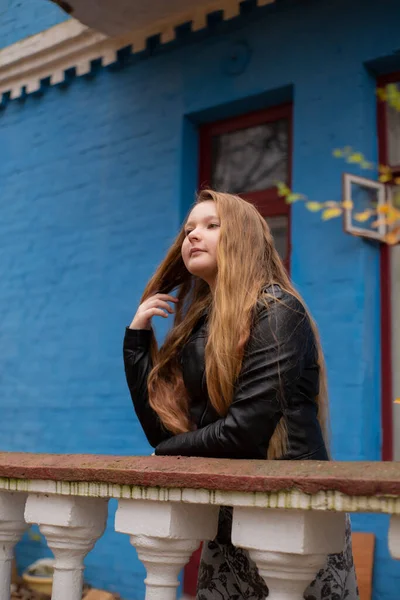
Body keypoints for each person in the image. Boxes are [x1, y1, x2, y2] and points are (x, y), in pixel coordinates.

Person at [123, 189, 359, 600]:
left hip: (289, 509)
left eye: (212, 226)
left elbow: (244, 431)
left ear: (244, 237)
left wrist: (168, 453)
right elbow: (162, 430)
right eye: (189, 229)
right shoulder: (200, 324)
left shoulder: (278, 310)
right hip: (229, 507)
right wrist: (137, 340)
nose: (193, 236)